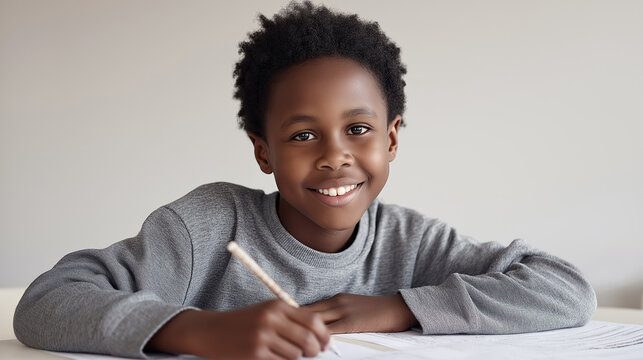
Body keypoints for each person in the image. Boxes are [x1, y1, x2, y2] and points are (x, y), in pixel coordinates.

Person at [13, 1, 597, 359]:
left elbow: (566, 288)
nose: (335, 157)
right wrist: (194, 331)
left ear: (392, 138)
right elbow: (46, 302)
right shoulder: (207, 228)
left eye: (359, 129)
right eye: (301, 135)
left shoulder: (412, 244)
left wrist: (399, 307)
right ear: (263, 151)